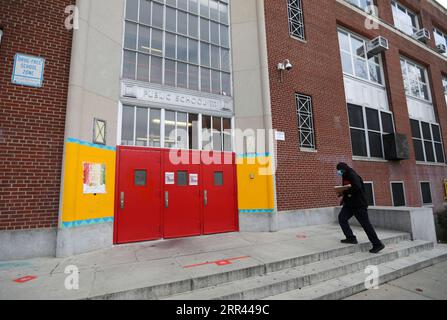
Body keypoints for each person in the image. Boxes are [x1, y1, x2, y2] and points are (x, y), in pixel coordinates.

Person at [336, 162, 385, 254]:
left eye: (339, 170)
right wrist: (342, 193)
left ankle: (377, 244)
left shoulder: (351, 174)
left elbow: (357, 187)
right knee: (342, 218)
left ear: (343, 169)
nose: (338, 172)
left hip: (359, 205)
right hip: (349, 205)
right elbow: (348, 189)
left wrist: (345, 191)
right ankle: (351, 238)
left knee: (366, 225)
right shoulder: (345, 175)